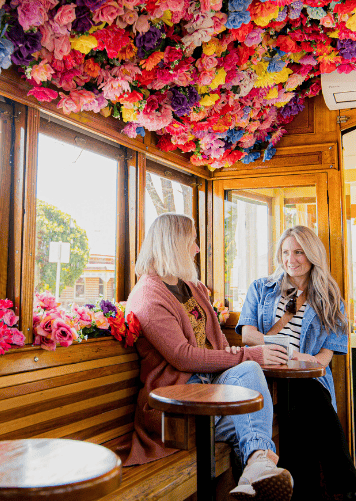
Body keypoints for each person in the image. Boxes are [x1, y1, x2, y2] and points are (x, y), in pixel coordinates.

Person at [125, 213, 294, 501]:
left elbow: (212, 340)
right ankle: (258, 467)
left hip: (211, 390)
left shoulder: (192, 287)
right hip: (176, 406)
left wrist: (229, 352)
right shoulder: (148, 295)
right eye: (192, 242)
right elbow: (183, 357)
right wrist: (245, 354)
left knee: (252, 410)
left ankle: (255, 469)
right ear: (174, 244)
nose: (197, 249)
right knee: (253, 409)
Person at [237, 225, 356, 501]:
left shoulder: (331, 299)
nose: (291, 259)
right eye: (285, 252)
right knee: (308, 405)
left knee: (303, 415)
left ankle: (310, 492)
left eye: (298, 252)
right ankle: (350, 485)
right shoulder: (261, 288)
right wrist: (278, 349)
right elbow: (248, 334)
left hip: (307, 377)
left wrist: (303, 358)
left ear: (312, 255)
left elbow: (325, 357)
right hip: (266, 375)